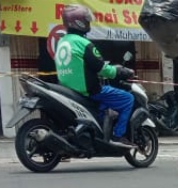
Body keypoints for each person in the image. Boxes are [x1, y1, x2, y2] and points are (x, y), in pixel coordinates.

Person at [54, 4, 135, 148]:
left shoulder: (62, 41)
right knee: (128, 99)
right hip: (89, 91)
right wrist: (120, 72)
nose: (88, 22)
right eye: (86, 20)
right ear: (79, 22)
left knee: (104, 105)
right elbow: (101, 68)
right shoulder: (83, 43)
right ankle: (118, 136)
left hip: (68, 89)